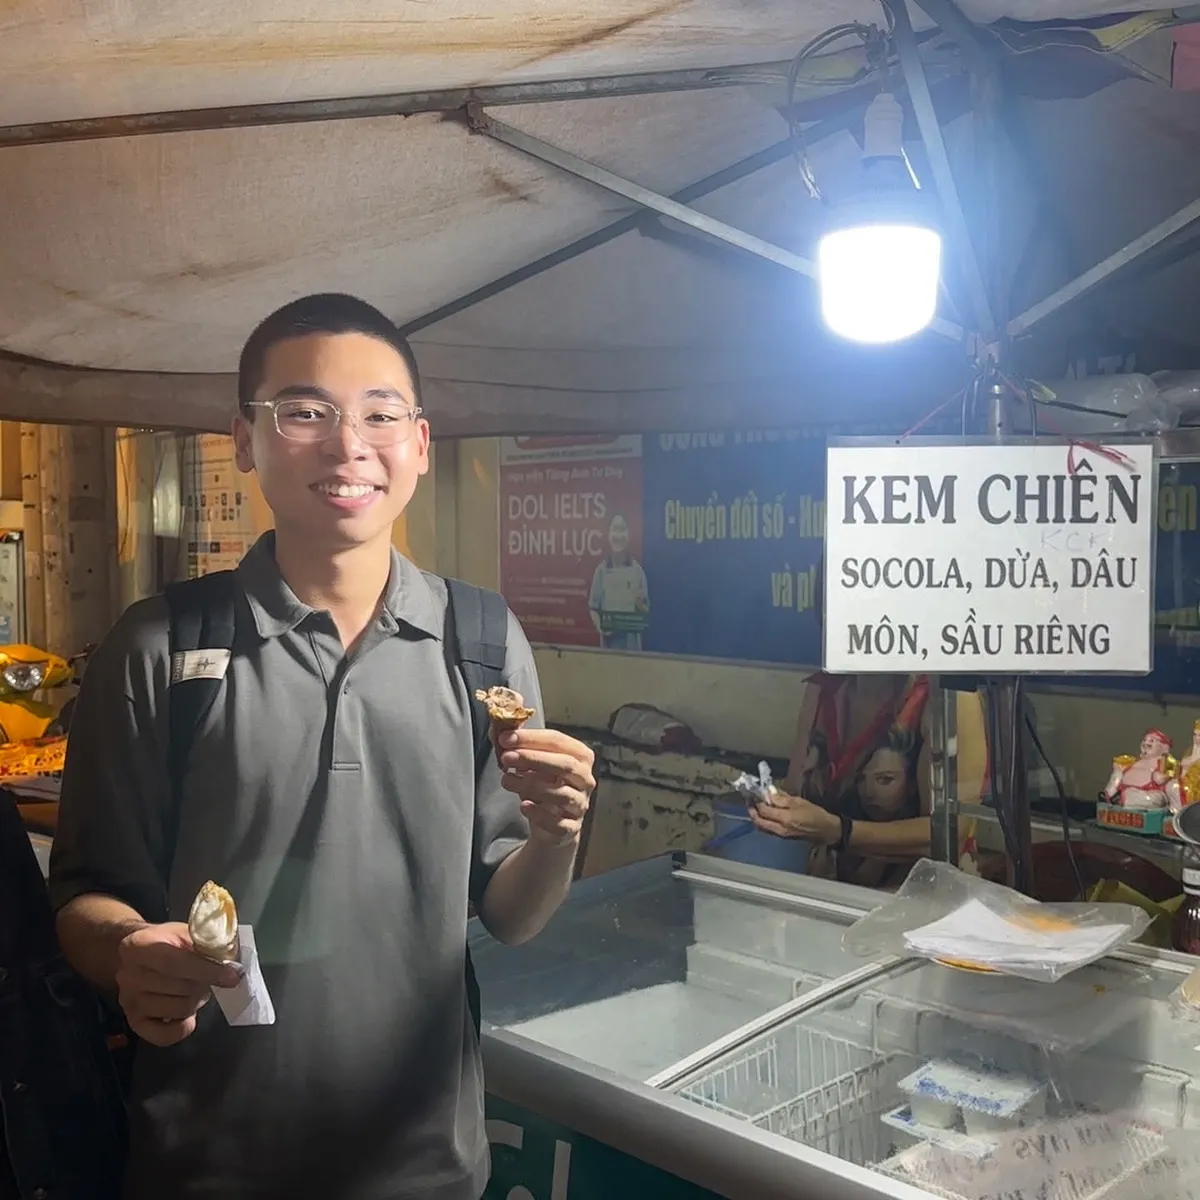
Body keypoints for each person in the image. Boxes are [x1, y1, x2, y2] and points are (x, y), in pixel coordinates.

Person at [47, 293, 596, 1200]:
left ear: (419, 443)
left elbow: (511, 915)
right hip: (206, 1164)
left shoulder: (485, 642)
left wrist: (555, 836)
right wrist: (127, 952)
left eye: (381, 414)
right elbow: (82, 900)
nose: (349, 445)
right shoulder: (159, 649)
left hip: (427, 1167)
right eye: (304, 411)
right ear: (244, 440)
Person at [587, 513, 649, 650]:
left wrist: (640, 604)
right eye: (615, 529)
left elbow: (645, 610)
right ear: (608, 534)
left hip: (632, 649)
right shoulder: (601, 572)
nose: (619, 535)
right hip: (608, 648)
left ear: (629, 535)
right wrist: (601, 626)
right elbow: (593, 607)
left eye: (623, 529)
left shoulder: (637, 571)